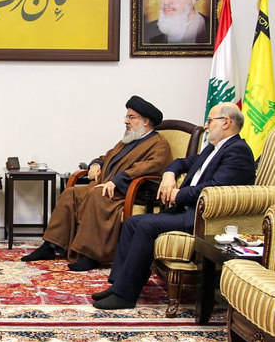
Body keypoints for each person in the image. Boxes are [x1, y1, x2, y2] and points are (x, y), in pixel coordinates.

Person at [92, 102, 255, 310]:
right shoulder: (213, 149)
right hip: (188, 210)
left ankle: (125, 295)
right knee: (133, 222)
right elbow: (183, 162)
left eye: (210, 120)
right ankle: (118, 286)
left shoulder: (237, 152)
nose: (206, 126)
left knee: (144, 225)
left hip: (204, 218)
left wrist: (178, 195)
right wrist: (169, 175)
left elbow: (215, 189)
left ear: (226, 122)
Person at [22, 96, 173, 271]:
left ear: (146, 121)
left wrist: (117, 181)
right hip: (108, 187)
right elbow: (106, 156)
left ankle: (90, 255)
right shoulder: (129, 139)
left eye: (131, 117)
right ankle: (50, 246)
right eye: (127, 116)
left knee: (97, 195)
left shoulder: (159, 144)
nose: (126, 121)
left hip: (128, 193)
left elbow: (149, 168)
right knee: (71, 193)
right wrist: (96, 164)